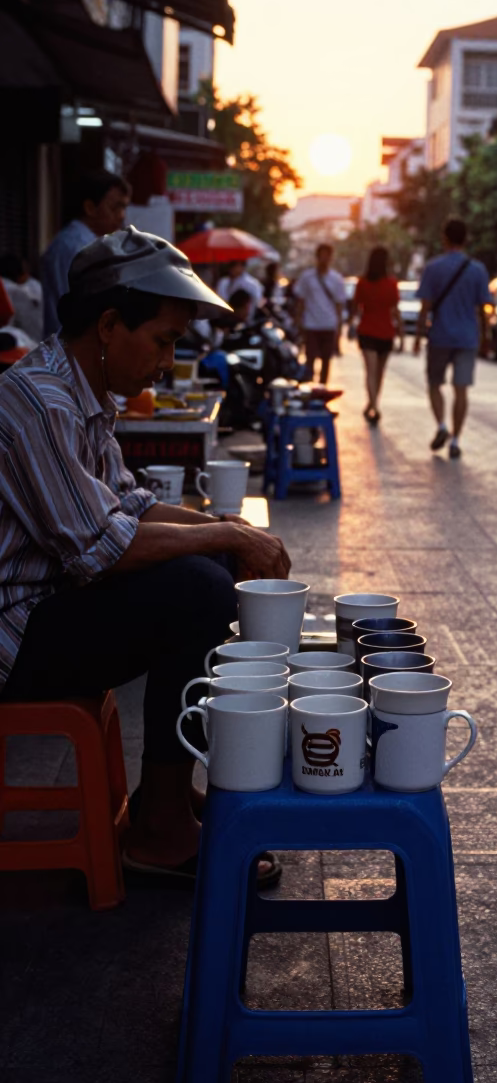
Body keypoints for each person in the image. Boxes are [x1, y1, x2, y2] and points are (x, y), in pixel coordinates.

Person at [0, 226, 290, 884]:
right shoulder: (40, 403)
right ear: (109, 324)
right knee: (197, 589)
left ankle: (168, 789)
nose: (167, 360)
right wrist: (225, 536)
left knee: (214, 568)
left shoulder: (84, 393)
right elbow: (98, 547)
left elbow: (129, 505)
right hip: (13, 637)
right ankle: (159, 829)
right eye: (162, 341)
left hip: (50, 608)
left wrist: (226, 530)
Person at [414, 218, 489, 460]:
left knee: (434, 384)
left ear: (444, 238)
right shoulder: (477, 270)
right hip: (467, 338)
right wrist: (486, 337)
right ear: (466, 239)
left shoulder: (433, 268)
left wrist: (418, 336)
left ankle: (441, 426)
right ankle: (456, 440)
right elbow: (483, 309)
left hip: (440, 336)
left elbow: (425, 307)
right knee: (461, 390)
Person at [40, 170, 131, 336]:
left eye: (124, 207)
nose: (121, 216)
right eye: (115, 207)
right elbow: (78, 314)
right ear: (90, 208)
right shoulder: (75, 247)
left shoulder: (89, 245)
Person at [350, 246, 403, 424]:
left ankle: (372, 405)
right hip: (386, 332)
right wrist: (401, 335)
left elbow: (355, 307)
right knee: (379, 373)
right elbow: (395, 311)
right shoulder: (391, 284)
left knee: (371, 372)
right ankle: (374, 406)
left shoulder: (363, 283)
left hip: (367, 330)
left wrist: (349, 325)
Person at [294, 244, 346, 384]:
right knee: (310, 358)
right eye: (322, 256)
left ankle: (323, 387)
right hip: (311, 324)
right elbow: (301, 301)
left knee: (326, 360)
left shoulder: (336, 279)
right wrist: (299, 320)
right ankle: (309, 386)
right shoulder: (307, 277)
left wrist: (339, 326)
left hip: (328, 324)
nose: (324, 259)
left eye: (326, 256)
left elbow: (339, 304)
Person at [0, 254, 43, 344]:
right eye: (26, 271)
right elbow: (32, 328)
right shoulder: (16, 292)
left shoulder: (31, 285)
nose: (28, 275)